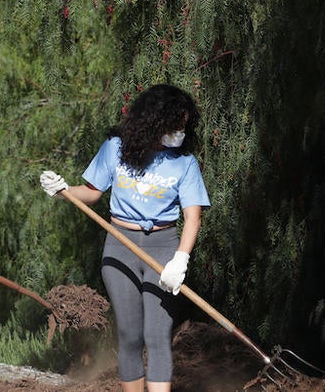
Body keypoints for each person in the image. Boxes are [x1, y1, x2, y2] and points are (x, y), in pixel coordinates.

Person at [39, 84, 211, 392]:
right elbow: (91, 193)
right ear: (155, 121)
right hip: (120, 246)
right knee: (131, 334)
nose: (180, 132)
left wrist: (180, 261)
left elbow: (193, 218)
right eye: (175, 125)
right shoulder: (116, 149)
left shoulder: (185, 163)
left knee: (157, 334)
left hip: (164, 248)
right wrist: (63, 190)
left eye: (184, 126)